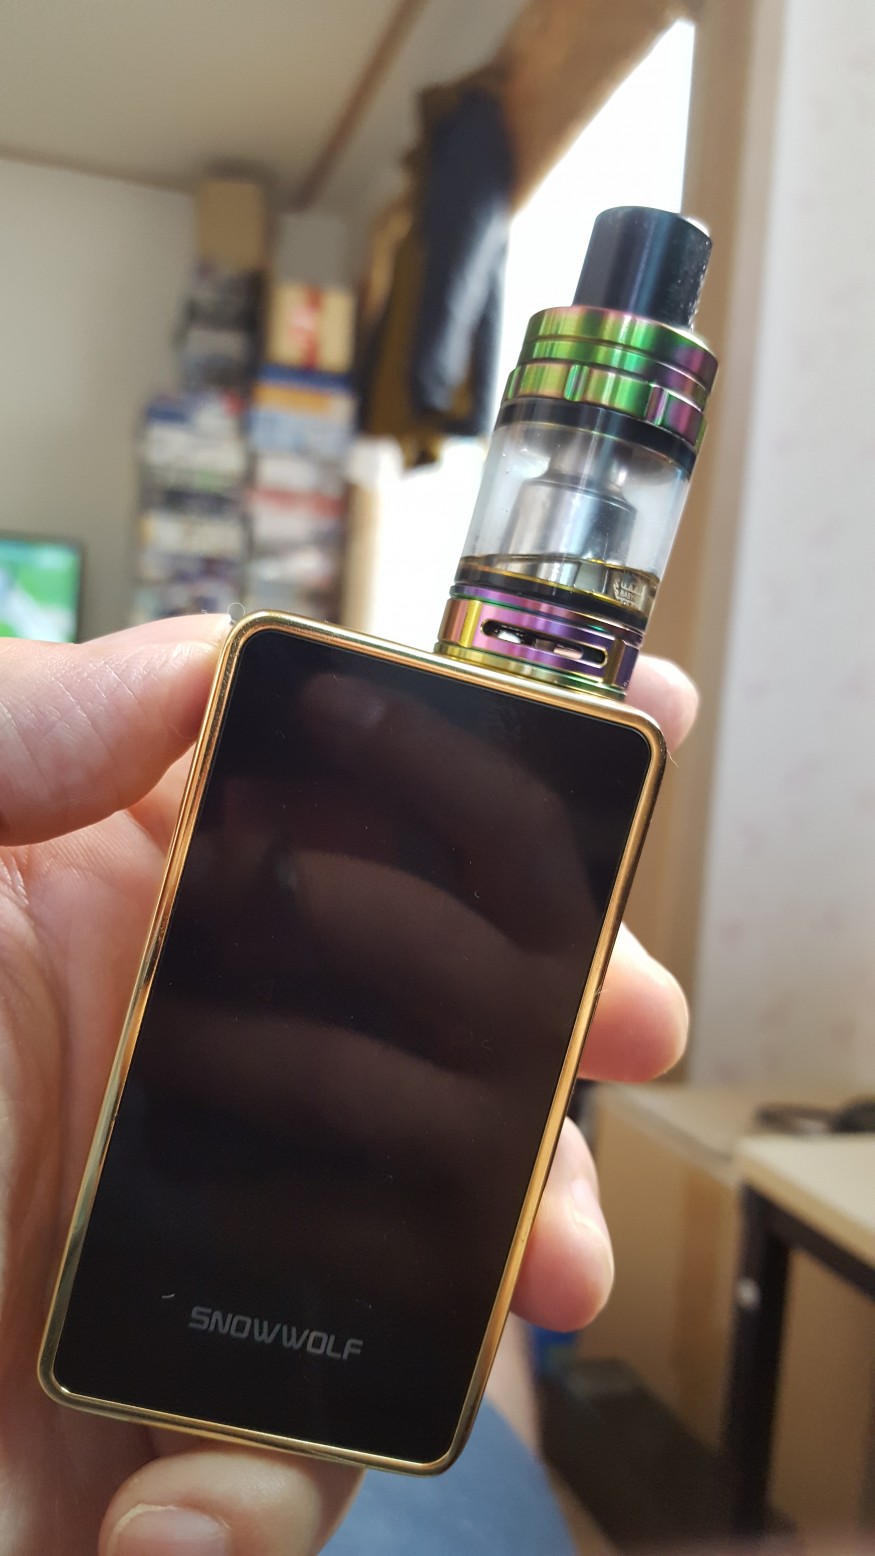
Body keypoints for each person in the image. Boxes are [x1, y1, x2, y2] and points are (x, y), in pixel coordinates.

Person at [0, 615, 697, 1556]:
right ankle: (498, 1357)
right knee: (480, 1358)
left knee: (485, 1274)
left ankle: (494, 1351)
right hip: (191, 1267)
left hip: (230, 1280)